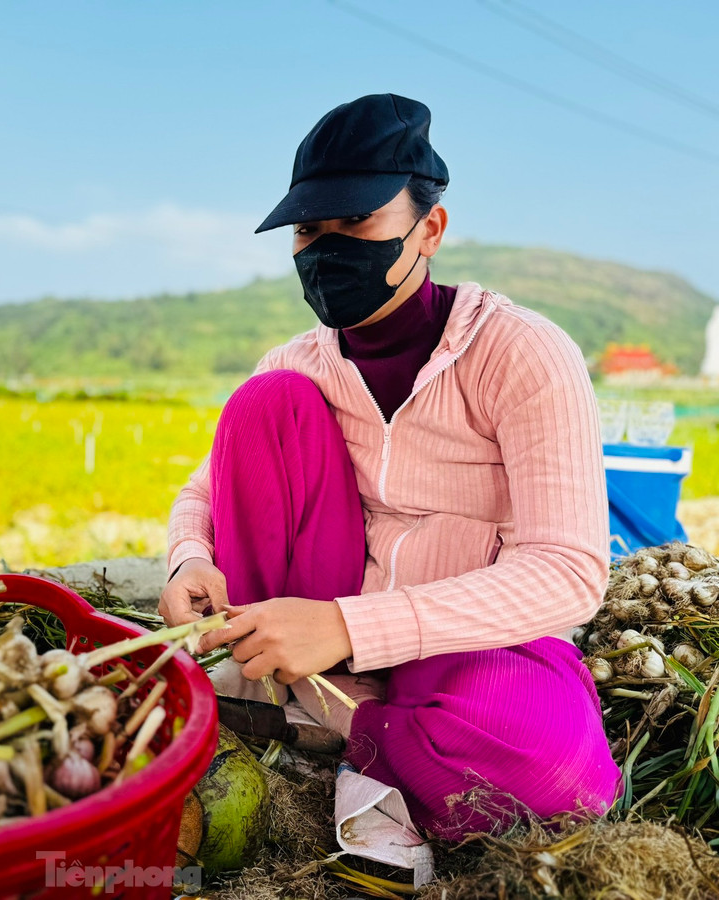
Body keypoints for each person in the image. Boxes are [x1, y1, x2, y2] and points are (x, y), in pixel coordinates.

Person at [160, 93, 621, 864]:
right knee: (264, 404)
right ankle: (331, 712)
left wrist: (346, 626)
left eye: (357, 224)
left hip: (468, 645)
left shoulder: (521, 353)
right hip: (317, 627)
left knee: (554, 772)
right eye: (311, 230)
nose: (326, 248)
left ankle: (341, 735)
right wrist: (189, 560)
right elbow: (201, 495)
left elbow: (569, 571)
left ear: (429, 230)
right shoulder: (298, 361)